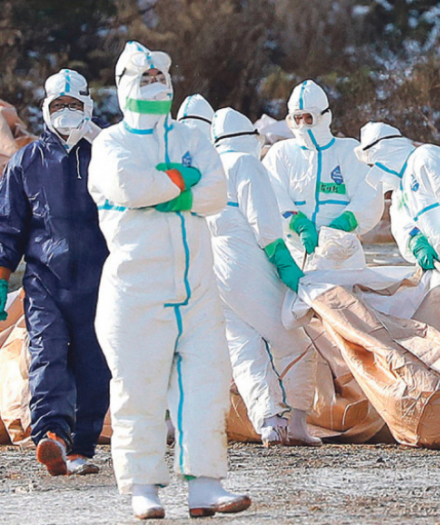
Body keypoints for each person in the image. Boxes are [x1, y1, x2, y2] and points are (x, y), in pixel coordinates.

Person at [88, 41, 250, 519]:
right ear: (124, 87)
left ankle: (205, 485)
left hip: (196, 288)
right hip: (136, 290)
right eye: (145, 78)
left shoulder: (191, 136)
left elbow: (216, 191)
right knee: (138, 391)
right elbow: (130, 187)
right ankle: (144, 488)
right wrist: (185, 182)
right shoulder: (111, 143)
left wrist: (168, 186)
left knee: (207, 386)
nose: (156, 85)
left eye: (161, 77)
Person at [0, 69, 110, 476]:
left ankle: (81, 447)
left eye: (74, 105)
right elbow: (8, 225)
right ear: (45, 109)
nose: (66, 112)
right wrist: (0, 278)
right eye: (58, 105)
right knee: (47, 355)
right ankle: (52, 436)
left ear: (88, 107)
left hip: (101, 282)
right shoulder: (28, 160)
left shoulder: (107, 154)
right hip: (45, 281)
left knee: (95, 365)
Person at [208, 107, 322, 447]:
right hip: (247, 262)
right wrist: (286, 264)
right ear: (249, 140)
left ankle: (269, 423)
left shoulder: (206, 169)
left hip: (215, 267)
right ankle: (298, 420)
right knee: (295, 342)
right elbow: (264, 224)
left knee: (245, 348)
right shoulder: (245, 163)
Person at [262, 80, 383, 266]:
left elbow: (369, 195)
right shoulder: (281, 153)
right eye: (297, 118)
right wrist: (296, 221)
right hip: (295, 252)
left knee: (340, 295)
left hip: (342, 254)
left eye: (309, 118)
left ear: (324, 116)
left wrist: (345, 222)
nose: (303, 125)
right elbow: (270, 193)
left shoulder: (349, 151)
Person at [356, 122, 440, 283]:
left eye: (373, 163)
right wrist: (416, 243)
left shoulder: (425, 157)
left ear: (383, 151)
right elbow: (404, 228)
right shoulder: (399, 193)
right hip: (437, 273)